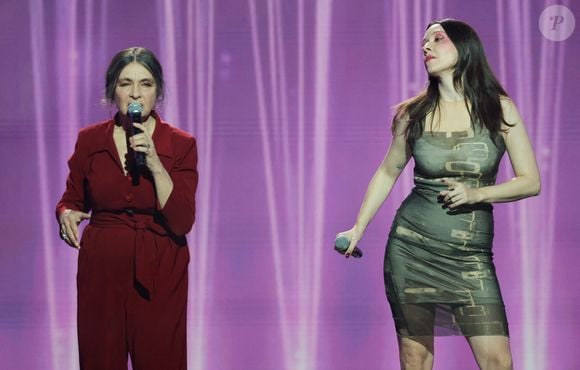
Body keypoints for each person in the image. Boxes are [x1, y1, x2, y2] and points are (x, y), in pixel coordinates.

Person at [338, 19, 540, 370]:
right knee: (415, 359)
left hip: (469, 256)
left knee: (498, 361)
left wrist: (477, 194)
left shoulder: (499, 108)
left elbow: (530, 181)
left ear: (464, 48)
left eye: (437, 39)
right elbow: (388, 171)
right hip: (411, 248)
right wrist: (358, 228)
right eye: (423, 42)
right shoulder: (413, 114)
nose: (426, 47)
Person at [56, 47, 197, 370]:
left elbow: (182, 220)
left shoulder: (180, 144)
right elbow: (72, 198)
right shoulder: (90, 140)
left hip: (162, 265)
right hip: (102, 267)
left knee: (161, 359)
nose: (136, 93)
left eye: (146, 84)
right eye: (125, 84)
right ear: (112, 91)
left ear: (158, 91)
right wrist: (65, 213)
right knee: (100, 358)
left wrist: (156, 164)